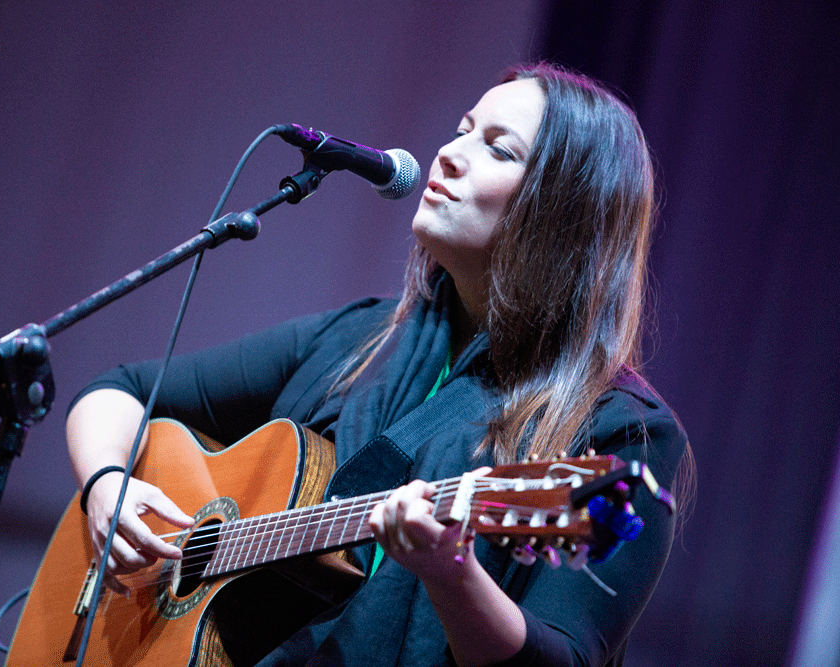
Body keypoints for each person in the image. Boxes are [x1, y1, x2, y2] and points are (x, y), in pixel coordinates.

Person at [66, 62, 692, 667]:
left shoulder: (624, 432)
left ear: (565, 213)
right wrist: (106, 486)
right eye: (464, 128)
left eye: (499, 150)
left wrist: (451, 572)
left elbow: (564, 657)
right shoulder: (358, 339)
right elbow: (118, 391)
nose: (449, 153)